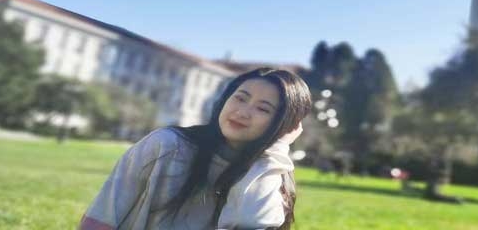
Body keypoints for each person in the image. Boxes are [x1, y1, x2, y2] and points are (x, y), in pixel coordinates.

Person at [79, 68, 312, 230]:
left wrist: (276, 150)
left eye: (263, 109)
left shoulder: (269, 173)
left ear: (283, 125)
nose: (243, 112)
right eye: (240, 98)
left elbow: (252, 223)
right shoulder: (167, 145)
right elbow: (104, 213)